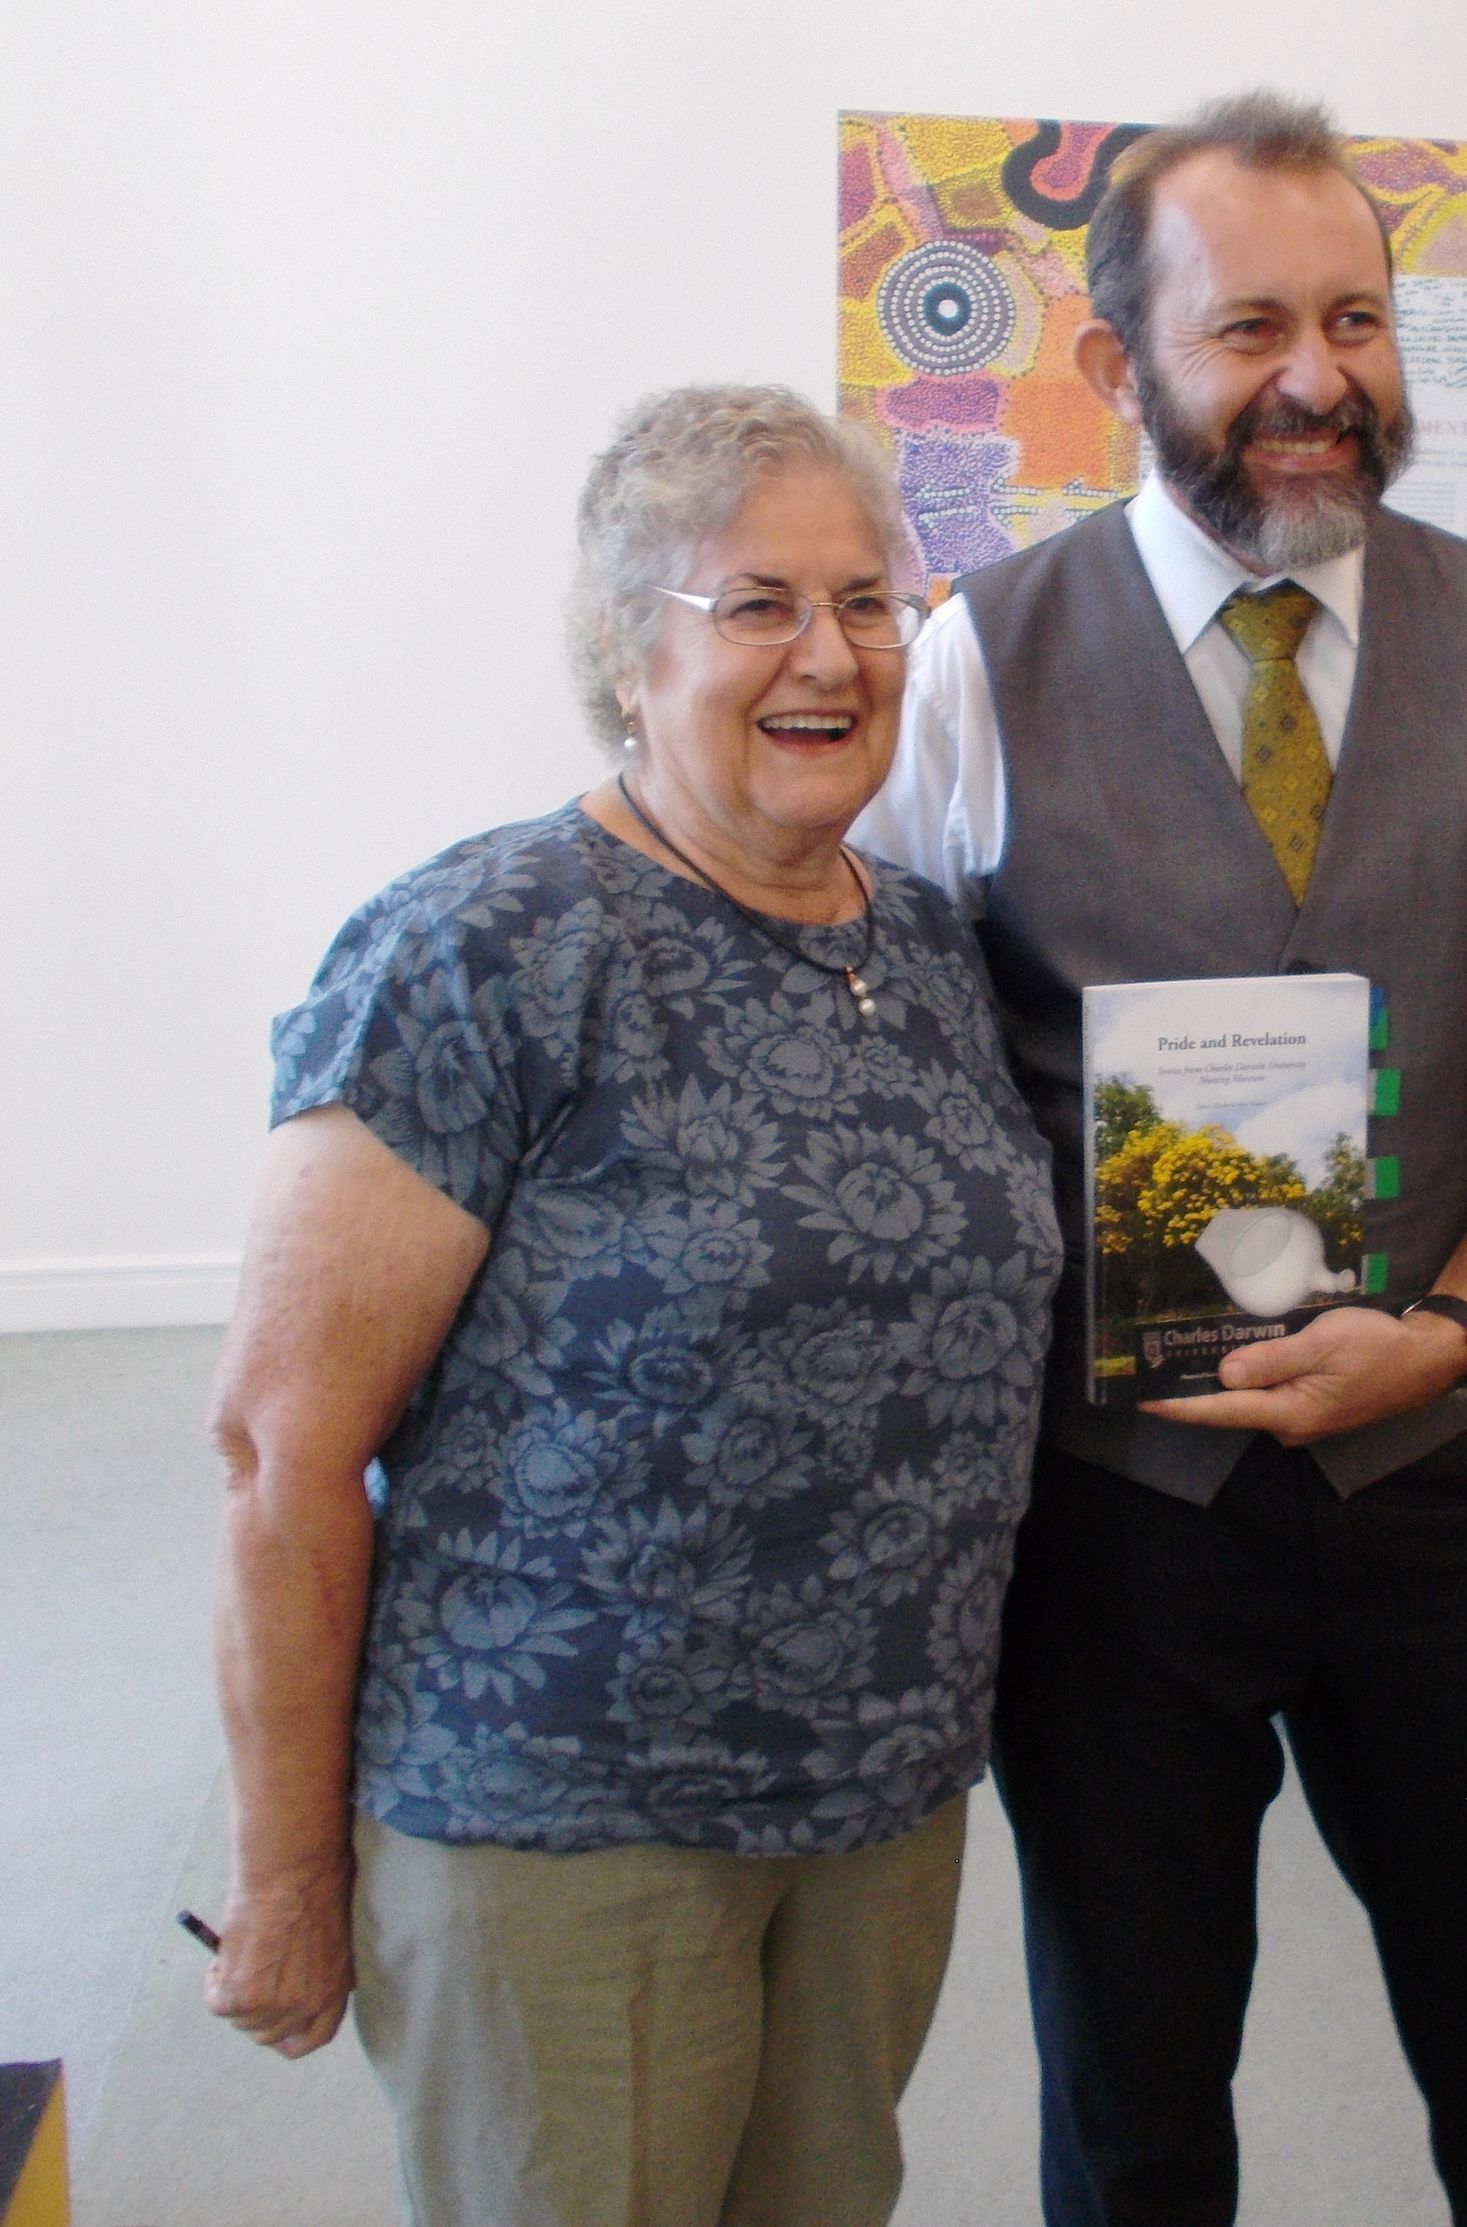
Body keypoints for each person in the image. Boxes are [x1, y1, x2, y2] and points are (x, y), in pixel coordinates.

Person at [856, 91, 1467, 2227]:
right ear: (1122, 369)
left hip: (1447, 1477)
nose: (1319, 377)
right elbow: (880, 1073)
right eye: (1250, 330)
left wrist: (1458, 1327)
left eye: (1359, 320)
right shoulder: (973, 662)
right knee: (1135, 2108)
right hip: (1116, 1525)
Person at [203, 383, 1062, 2227]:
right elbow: (282, 1455)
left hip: (882, 1801)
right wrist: (285, 1881)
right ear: (623, 645)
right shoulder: (485, 945)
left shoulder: (925, 948)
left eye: (866, 603)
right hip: (568, 1821)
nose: (828, 654)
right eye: (756, 603)